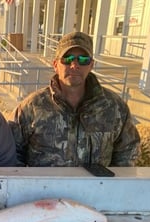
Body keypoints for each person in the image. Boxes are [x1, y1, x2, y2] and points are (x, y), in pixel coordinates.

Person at [10, 31, 140, 167]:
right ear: (55, 65)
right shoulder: (32, 106)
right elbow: (12, 153)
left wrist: (110, 186)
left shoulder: (115, 107)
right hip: (45, 188)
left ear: (91, 65)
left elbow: (127, 152)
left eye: (83, 60)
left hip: (96, 188)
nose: (74, 65)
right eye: (67, 59)